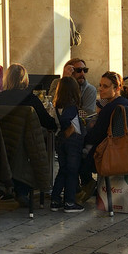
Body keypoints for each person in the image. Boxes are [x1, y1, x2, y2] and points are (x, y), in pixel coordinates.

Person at [79, 71, 127, 200]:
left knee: (76, 151)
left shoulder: (110, 108)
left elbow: (95, 136)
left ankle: (85, 184)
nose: (100, 89)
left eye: (105, 86)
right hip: (127, 153)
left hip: (107, 155)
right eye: (100, 85)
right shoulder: (127, 104)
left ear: (116, 88)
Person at [49, 76, 85, 213]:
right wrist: (68, 129)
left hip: (61, 142)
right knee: (72, 172)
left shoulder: (58, 106)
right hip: (72, 142)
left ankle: (55, 199)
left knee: (63, 170)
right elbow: (67, 120)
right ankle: (69, 202)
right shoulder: (71, 106)